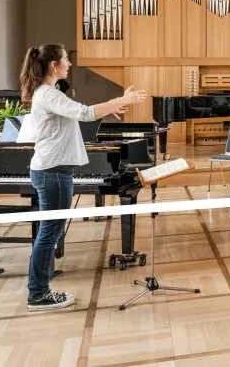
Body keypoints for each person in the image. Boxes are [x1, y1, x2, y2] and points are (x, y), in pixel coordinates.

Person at [20, 44, 147, 312]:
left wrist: (111, 107)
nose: (70, 63)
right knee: (49, 233)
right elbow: (84, 112)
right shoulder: (48, 95)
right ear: (54, 65)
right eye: (66, 59)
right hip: (52, 171)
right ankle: (38, 294)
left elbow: (76, 117)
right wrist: (121, 101)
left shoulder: (48, 95)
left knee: (50, 232)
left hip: (54, 170)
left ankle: (39, 291)